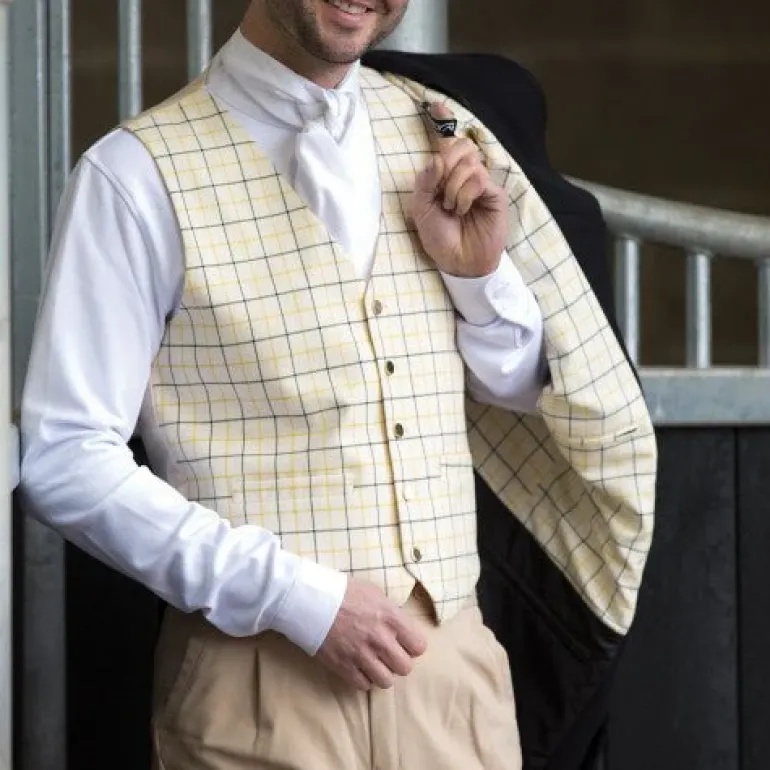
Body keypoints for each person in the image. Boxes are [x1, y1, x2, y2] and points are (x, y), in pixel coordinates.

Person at [19, 2, 657, 769]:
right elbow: (65, 459)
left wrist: (480, 279)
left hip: (451, 681)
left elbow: (523, 391)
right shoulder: (135, 174)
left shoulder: (444, 133)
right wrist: (292, 597)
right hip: (257, 688)